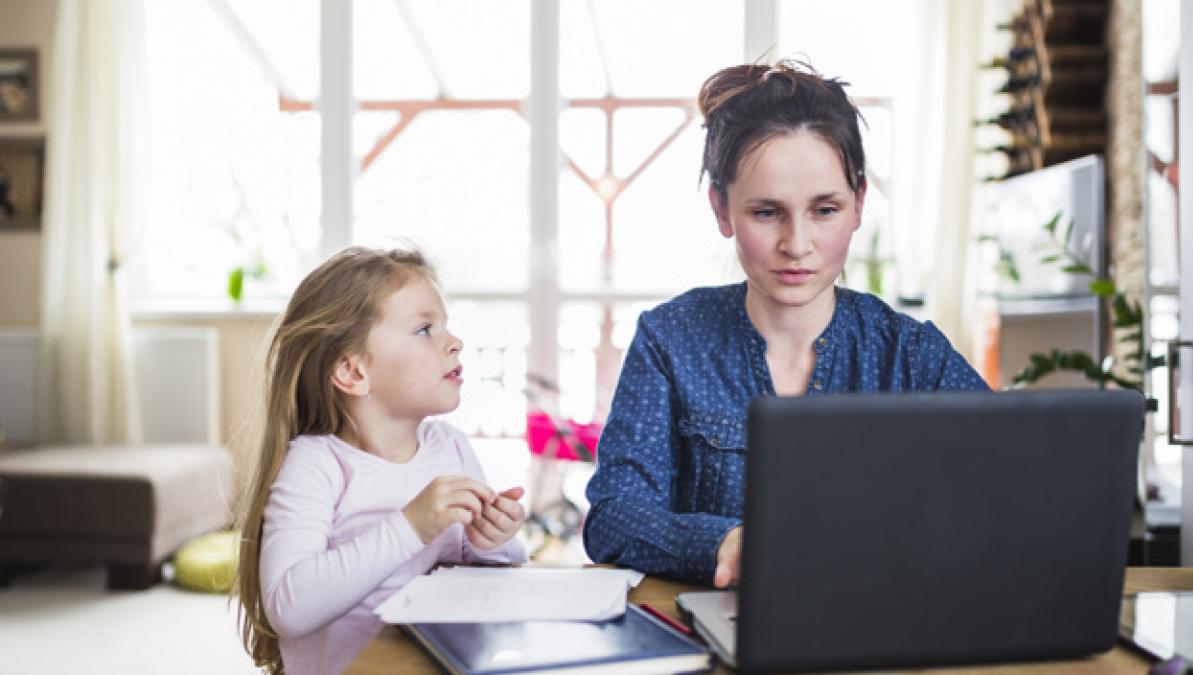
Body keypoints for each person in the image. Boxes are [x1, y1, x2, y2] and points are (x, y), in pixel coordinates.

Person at [582, 59, 989, 589]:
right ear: (722, 210)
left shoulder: (911, 353)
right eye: (767, 212)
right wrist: (723, 543)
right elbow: (614, 516)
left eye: (825, 210)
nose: (797, 245)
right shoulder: (671, 339)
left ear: (859, 203)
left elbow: (1005, 482)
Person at [235, 247, 528, 675]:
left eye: (445, 325)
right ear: (353, 372)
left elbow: (484, 576)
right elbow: (288, 607)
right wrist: (411, 526)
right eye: (425, 329)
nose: (454, 341)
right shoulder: (316, 465)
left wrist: (496, 541)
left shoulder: (452, 448)